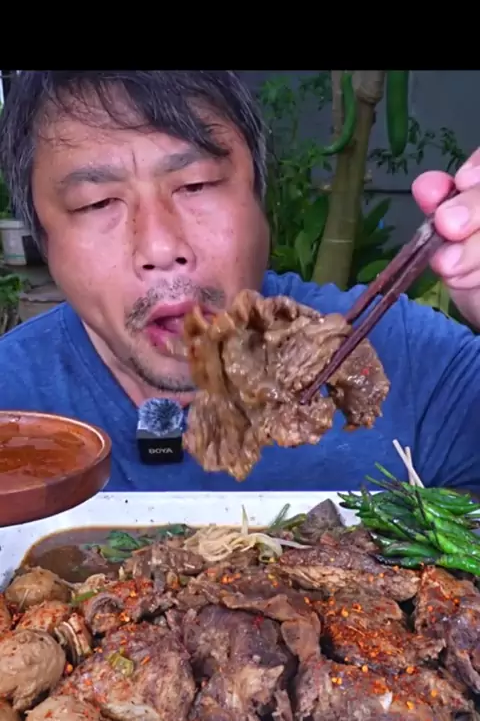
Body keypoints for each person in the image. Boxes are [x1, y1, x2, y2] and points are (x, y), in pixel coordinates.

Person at [0, 70, 479, 493]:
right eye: (97, 203)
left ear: (259, 201)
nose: (160, 247)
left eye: (197, 185)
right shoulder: (12, 402)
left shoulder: (411, 362)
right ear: (44, 239)